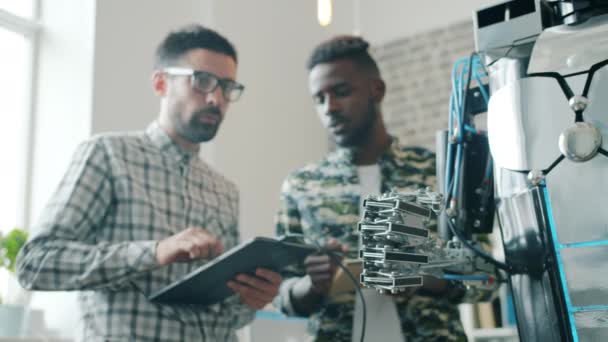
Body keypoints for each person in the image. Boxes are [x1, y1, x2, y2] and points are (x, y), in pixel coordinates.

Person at [16, 24, 281, 342]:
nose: (216, 98)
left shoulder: (225, 191)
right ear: (160, 83)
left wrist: (251, 299)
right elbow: (36, 263)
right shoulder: (108, 155)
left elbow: (225, 315)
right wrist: (154, 252)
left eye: (227, 87)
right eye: (202, 81)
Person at [274, 36, 471, 341]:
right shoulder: (301, 185)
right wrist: (312, 285)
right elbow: (281, 295)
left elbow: (486, 277)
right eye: (319, 99)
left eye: (341, 92)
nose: (330, 108)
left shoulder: (438, 171)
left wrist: (423, 277)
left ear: (376, 90)